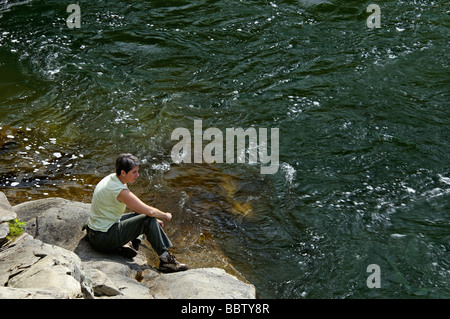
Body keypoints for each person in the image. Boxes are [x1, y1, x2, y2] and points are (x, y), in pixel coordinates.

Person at [86, 153, 188, 273]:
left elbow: (136, 207)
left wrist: (154, 220)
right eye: (134, 172)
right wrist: (164, 215)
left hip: (95, 231)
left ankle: (131, 245)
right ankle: (166, 262)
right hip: (102, 238)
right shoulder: (119, 190)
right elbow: (149, 211)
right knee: (147, 219)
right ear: (123, 172)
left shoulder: (113, 179)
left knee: (145, 217)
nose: (138, 175)